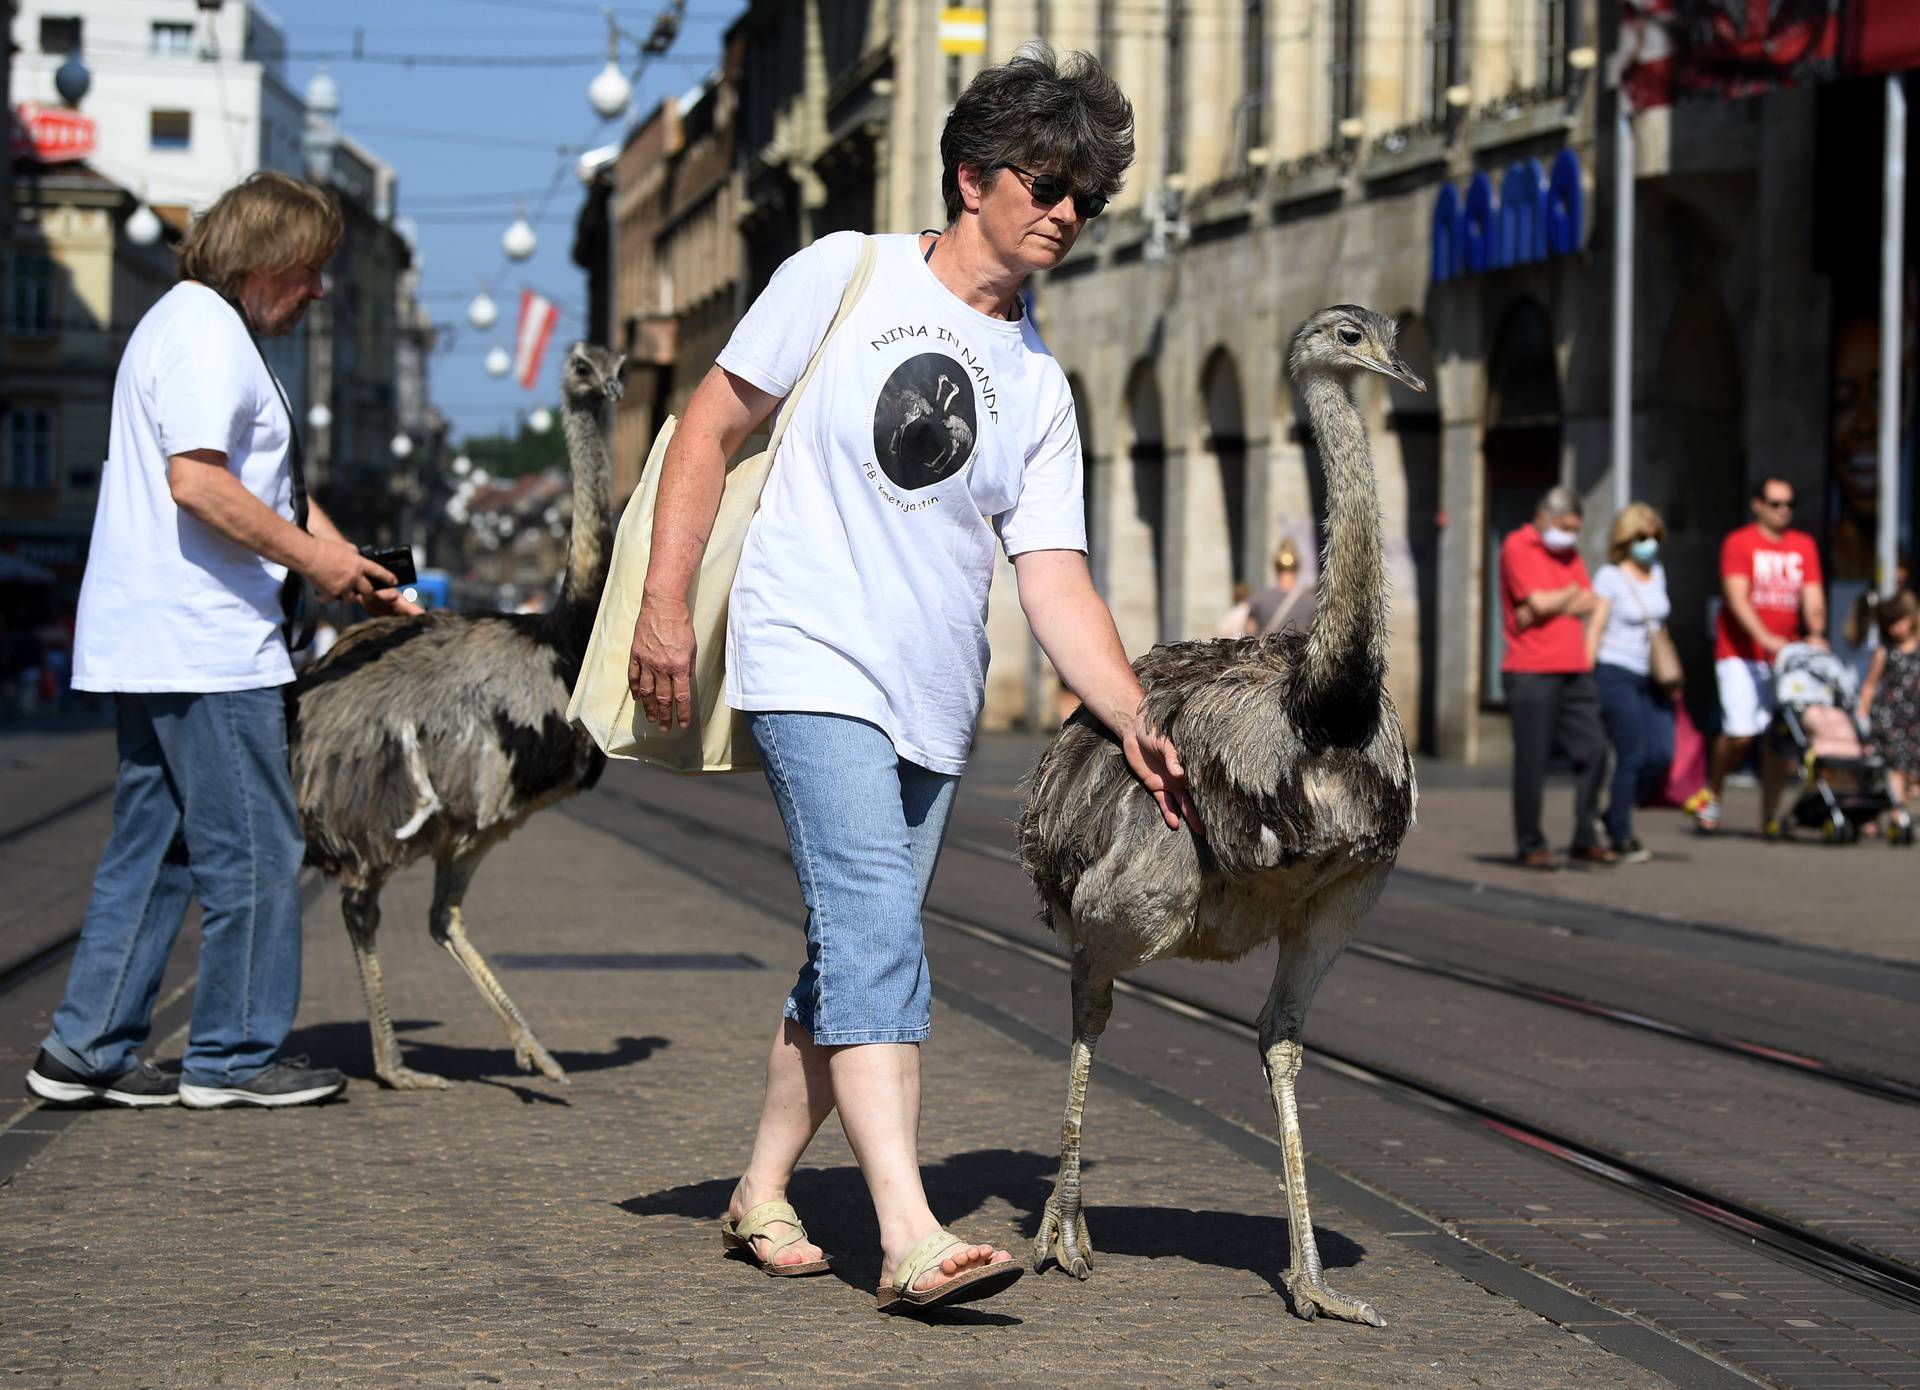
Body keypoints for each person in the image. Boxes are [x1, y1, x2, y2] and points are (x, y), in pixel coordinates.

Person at [628, 47, 1196, 1313]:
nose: (1066, 210)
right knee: (878, 926)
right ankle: (909, 1232)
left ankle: (761, 1189)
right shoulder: (848, 273)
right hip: (806, 652)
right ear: (972, 177)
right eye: (1047, 182)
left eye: (1088, 195)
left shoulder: (1040, 388)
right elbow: (711, 424)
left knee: (850, 948)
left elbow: (1053, 579)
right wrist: (667, 604)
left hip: (932, 695)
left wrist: (1135, 714)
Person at [26, 172, 417, 1112]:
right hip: (204, 642)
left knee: (154, 849)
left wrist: (344, 563)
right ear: (265, 261)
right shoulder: (207, 335)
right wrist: (315, 567)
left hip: (154, 636)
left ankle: (88, 1046)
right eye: (311, 271)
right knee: (253, 848)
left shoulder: (188, 324)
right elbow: (200, 484)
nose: (319, 292)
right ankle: (236, 1054)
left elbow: (263, 491)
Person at [1696, 476, 1826, 837]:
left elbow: (1813, 597)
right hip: (1739, 654)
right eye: (1775, 504)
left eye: (1789, 504)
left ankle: (1769, 815)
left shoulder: (1803, 546)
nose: (1784, 511)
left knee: (1778, 739)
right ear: (1757, 505)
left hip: (1786, 657)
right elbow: (1737, 598)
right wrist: (1765, 638)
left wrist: (1815, 633)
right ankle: (1714, 792)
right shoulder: (1739, 542)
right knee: (1740, 734)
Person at [1499, 485, 1614, 868]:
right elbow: (1541, 602)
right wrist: (1563, 598)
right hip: (1531, 670)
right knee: (1533, 762)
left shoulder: (1568, 553)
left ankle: (1585, 834)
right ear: (1544, 517)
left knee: (1595, 750)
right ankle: (1531, 843)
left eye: (1576, 529)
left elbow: (1590, 599)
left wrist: (1553, 600)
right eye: (1565, 526)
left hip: (1574, 668)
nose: (1571, 536)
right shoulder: (1518, 545)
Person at [1590, 504, 1677, 863]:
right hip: (1614, 672)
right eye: (1642, 536)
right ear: (1626, 539)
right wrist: (1584, 673)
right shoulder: (1609, 577)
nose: (1650, 543)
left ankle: (1614, 813)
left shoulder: (1657, 571)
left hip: (1651, 676)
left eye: (1655, 536)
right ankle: (1621, 833)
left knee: (1661, 754)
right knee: (1633, 755)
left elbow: (1659, 625)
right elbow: (1595, 627)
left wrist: (1671, 673)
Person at [1855, 589, 1919, 831]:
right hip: (1890, 717)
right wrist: (1862, 711)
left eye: (1900, 621)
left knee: (1909, 771)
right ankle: (1894, 816)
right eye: (1890, 624)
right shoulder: (1885, 651)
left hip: (1915, 718)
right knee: (1894, 767)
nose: (1897, 629)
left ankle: (1894, 810)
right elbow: (1870, 685)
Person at [1246, 538, 1318, 636]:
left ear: (1276, 568)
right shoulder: (1312, 602)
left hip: (1268, 650)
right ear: (1297, 568)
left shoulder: (1259, 599)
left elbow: (1249, 631)